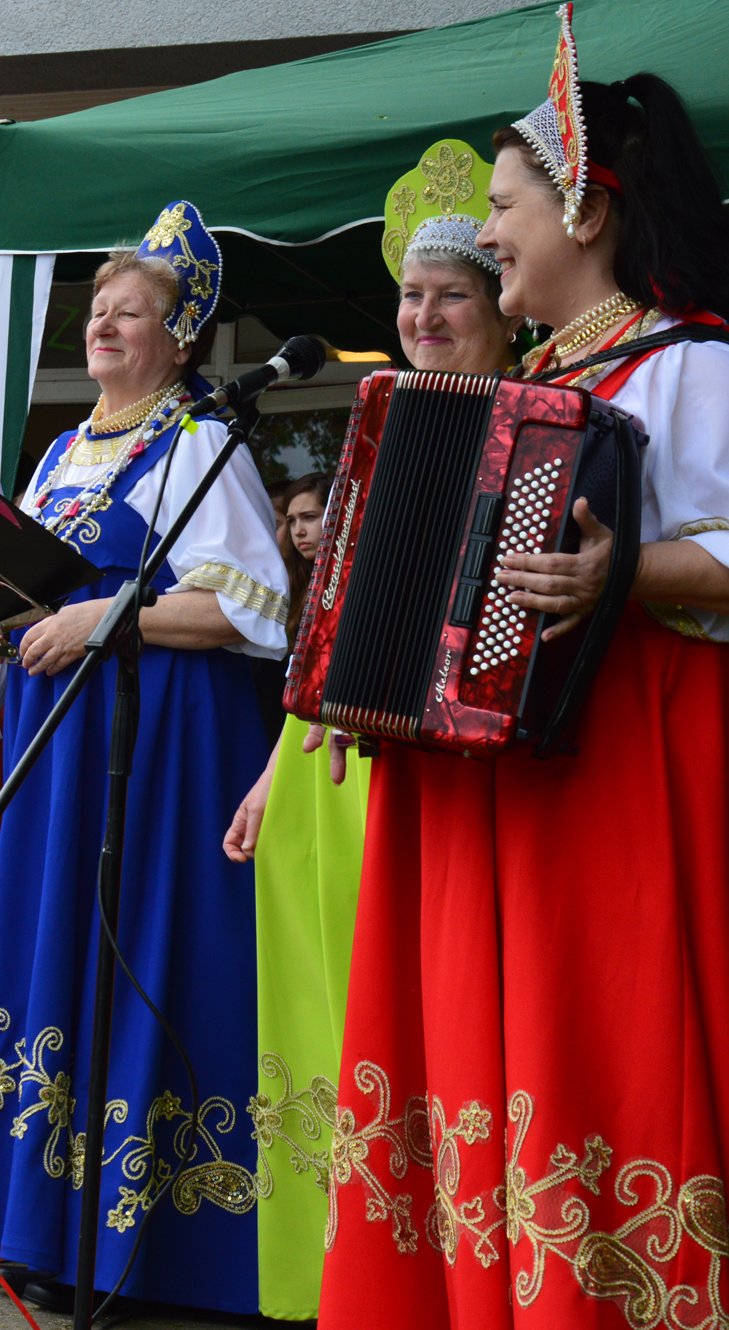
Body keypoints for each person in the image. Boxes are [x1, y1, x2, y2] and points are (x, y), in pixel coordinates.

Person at [321, 10, 729, 1324]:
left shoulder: (694, 368)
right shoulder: (527, 382)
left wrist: (624, 573)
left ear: (590, 209)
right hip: (501, 787)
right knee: (493, 1048)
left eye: (503, 206)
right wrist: (359, 672)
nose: (485, 232)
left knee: (602, 1040)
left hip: (627, 772)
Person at [0, 202, 291, 1314]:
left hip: (157, 746)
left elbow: (255, 608)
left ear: (178, 336)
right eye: (94, 309)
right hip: (58, 747)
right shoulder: (58, 450)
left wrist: (109, 621)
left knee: (137, 959)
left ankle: (150, 1248)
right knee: (60, 964)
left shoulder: (194, 439)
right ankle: (53, 1228)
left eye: (127, 311)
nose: (101, 325)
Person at [223, 147, 520, 1321]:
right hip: (328, 766)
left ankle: (458, 1265)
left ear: (498, 304)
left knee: (438, 1016)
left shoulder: (544, 420)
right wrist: (269, 765)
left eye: (449, 293)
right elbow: (325, 624)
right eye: (410, 295)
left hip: (457, 771)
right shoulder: (373, 425)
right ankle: (347, 1267)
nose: (423, 315)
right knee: (334, 1015)